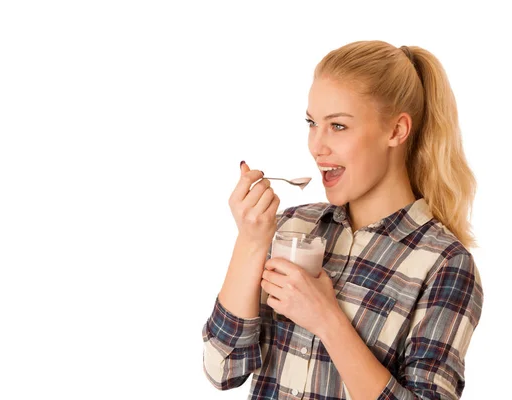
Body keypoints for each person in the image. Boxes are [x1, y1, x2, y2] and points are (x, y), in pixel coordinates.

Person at [201, 40, 483, 400]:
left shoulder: (445, 263)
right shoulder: (292, 227)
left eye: (338, 126)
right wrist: (251, 242)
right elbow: (223, 369)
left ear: (396, 131)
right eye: (312, 123)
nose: (316, 145)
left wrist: (328, 320)